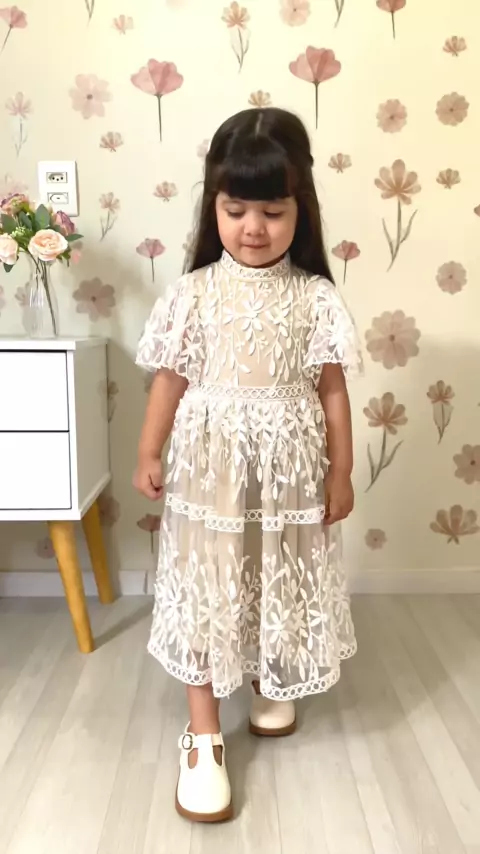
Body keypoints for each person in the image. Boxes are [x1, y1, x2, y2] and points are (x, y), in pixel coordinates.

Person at [134, 107, 362, 823]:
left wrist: (340, 472)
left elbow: (332, 390)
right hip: (209, 473)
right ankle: (203, 734)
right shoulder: (194, 293)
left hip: (286, 477)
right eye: (236, 210)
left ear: (302, 209)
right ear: (214, 207)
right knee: (209, 584)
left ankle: (266, 674)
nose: (253, 228)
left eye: (272, 211)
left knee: (270, 570)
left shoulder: (315, 298)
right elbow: (170, 378)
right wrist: (148, 450)